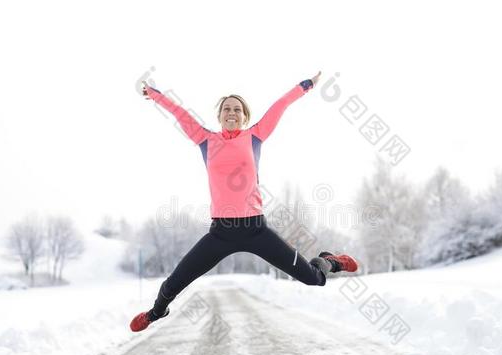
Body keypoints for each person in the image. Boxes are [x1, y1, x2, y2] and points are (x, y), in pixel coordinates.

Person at [130, 71, 359, 332]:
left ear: (244, 116)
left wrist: (305, 85)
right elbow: (180, 113)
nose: (231, 112)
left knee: (313, 278)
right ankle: (155, 313)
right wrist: (154, 94)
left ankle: (330, 260)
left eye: (237, 109)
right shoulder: (205, 139)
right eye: (226, 108)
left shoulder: (255, 136)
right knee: (173, 284)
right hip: (220, 234)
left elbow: (280, 105)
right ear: (219, 116)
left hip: (256, 230)